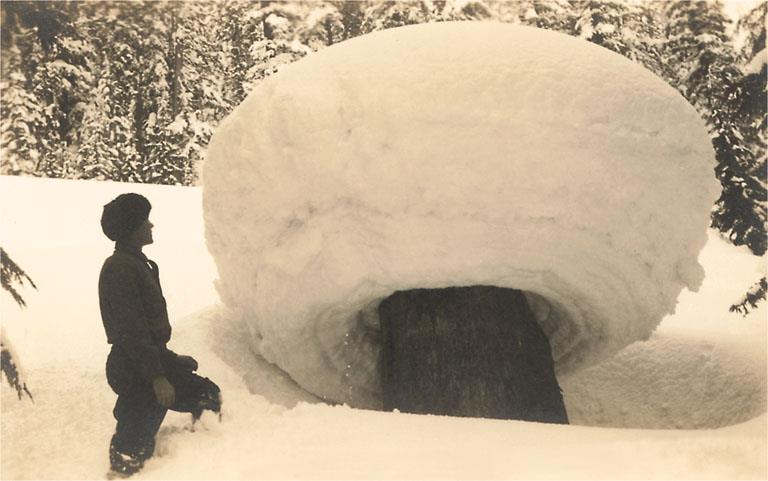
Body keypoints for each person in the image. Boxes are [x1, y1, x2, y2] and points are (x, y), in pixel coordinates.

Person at [98, 193, 221, 477]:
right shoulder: (120, 268)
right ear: (132, 228)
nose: (151, 225)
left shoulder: (138, 263)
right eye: (145, 220)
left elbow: (146, 331)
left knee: (208, 395)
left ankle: (200, 458)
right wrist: (158, 378)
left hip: (149, 358)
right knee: (130, 452)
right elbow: (132, 332)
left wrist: (172, 360)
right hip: (133, 365)